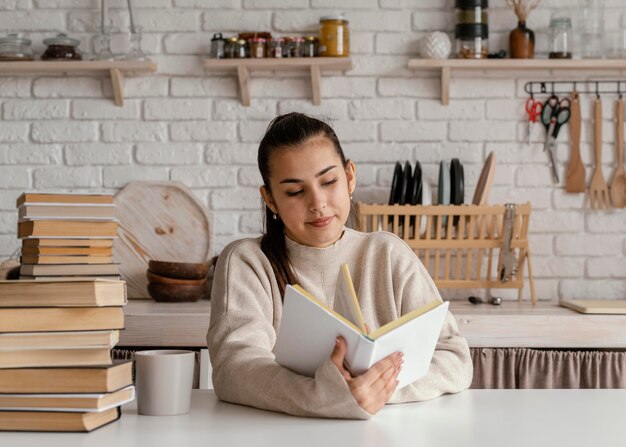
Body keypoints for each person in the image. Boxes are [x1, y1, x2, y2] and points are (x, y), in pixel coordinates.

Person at [207, 112, 472, 420]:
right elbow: (234, 368)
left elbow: (455, 359)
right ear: (270, 199)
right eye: (295, 191)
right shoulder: (248, 262)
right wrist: (326, 396)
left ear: (350, 176)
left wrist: (373, 392)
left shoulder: (387, 253)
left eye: (329, 181)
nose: (317, 202)